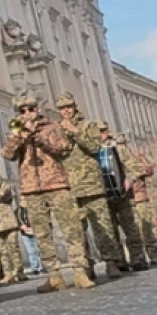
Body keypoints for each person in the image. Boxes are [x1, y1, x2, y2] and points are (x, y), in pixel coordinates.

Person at [2, 93, 87, 291]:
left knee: (70, 228)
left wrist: (40, 138)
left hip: (57, 184)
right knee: (42, 234)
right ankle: (54, 276)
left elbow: (64, 148)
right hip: (32, 188)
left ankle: (80, 271)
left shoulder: (52, 127)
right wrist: (18, 138)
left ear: (37, 110)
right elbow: (7, 154)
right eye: (22, 111)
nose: (27, 114)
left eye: (31, 109)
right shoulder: (17, 132)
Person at [54, 94, 127, 281]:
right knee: (77, 230)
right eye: (62, 108)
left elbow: (95, 147)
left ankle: (111, 261)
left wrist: (75, 132)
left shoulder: (88, 126)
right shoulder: (57, 129)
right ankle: (86, 265)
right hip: (70, 187)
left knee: (103, 226)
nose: (66, 111)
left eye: (69, 107)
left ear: (75, 106)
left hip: (92, 184)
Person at [97, 125, 151, 271]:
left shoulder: (119, 149)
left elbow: (136, 168)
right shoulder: (93, 150)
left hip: (123, 195)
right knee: (110, 229)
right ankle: (119, 260)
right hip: (104, 196)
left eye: (103, 131)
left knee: (130, 227)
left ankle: (137, 258)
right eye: (98, 132)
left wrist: (129, 180)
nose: (101, 135)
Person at [0, 178, 27, 282]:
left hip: (8, 220)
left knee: (14, 247)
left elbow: (3, 194)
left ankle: (19, 272)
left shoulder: (3, 184)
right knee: (2, 250)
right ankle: (8, 273)